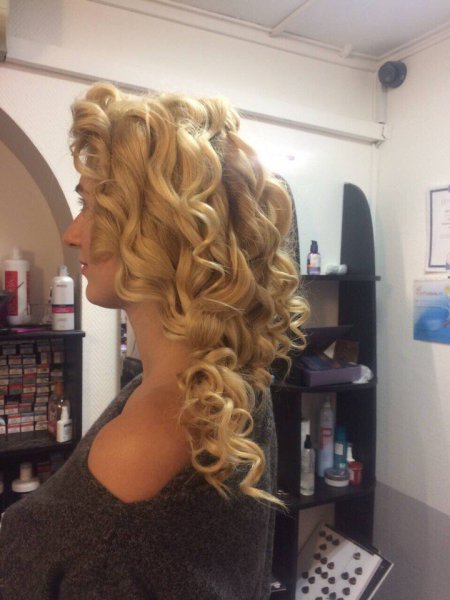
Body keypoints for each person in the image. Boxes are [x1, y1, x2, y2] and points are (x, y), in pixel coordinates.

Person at [0, 83, 308, 599]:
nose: (72, 233)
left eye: (90, 205)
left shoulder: (145, 445)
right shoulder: (228, 381)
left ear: (157, 228)